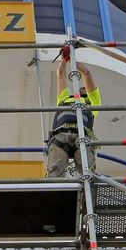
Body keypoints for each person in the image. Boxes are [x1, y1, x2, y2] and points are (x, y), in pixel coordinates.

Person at [45, 46, 100, 178]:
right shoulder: (64, 98)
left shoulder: (93, 100)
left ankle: (86, 198)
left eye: (85, 87)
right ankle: (52, 197)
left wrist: (72, 61)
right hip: (61, 135)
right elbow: (61, 76)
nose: (82, 86)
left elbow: (86, 74)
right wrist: (63, 60)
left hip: (83, 136)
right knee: (55, 171)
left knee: (87, 175)